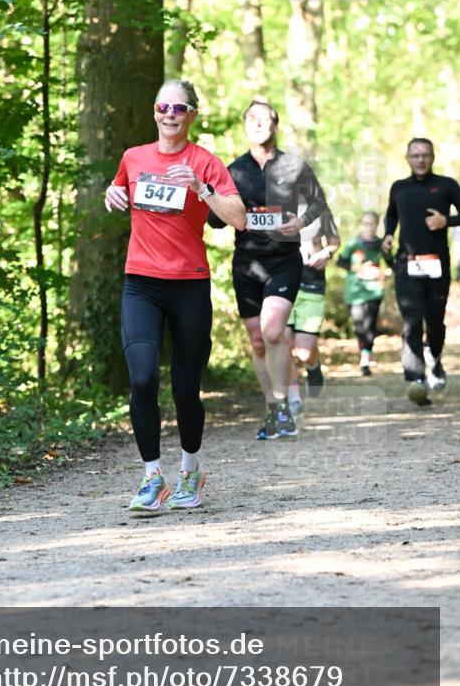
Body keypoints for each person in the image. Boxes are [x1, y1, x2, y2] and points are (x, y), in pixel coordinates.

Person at [105, 79, 246, 512]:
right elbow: (121, 190)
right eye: (163, 105)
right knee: (143, 378)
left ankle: (190, 470)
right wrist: (112, 194)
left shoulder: (205, 162)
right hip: (141, 283)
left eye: (179, 108)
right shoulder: (134, 157)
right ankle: (152, 478)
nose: (170, 113)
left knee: (186, 388)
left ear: (192, 115)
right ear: (154, 111)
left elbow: (239, 219)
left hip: (189, 284)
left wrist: (201, 190)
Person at [209, 100, 332, 440]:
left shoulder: (294, 166)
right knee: (258, 341)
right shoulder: (232, 171)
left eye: (265, 119)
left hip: (283, 261)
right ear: (246, 126)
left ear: (275, 126)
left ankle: (282, 404)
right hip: (247, 264)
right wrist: (223, 205)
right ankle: (273, 409)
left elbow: (319, 203)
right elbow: (215, 220)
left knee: (273, 330)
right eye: (252, 119)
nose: (258, 124)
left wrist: (301, 222)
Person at [382, 137, 460, 406]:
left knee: (435, 323)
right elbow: (391, 215)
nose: (421, 160)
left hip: (437, 265)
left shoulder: (447, 185)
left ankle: (434, 359)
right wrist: (388, 235)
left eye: (425, 155)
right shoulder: (399, 188)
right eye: (415, 155)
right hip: (407, 263)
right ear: (407, 158)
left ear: (433, 157)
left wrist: (446, 221)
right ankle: (416, 378)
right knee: (412, 322)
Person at [286, 212, 340, 415]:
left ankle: (313, 366)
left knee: (304, 351)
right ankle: (293, 398)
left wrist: (326, 253)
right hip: (282, 283)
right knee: (284, 342)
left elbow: (335, 241)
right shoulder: (274, 206)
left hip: (312, 285)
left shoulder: (320, 211)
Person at [337, 211, 393, 376]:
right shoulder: (354, 243)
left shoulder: (381, 244)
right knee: (359, 326)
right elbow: (341, 261)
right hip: (354, 291)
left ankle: (365, 361)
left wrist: (385, 274)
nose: (369, 227)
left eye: (372, 223)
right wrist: (358, 269)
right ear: (361, 224)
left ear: (377, 225)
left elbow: (391, 264)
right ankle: (363, 353)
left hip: (374, 290)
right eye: (366, 223)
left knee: (369, 326)